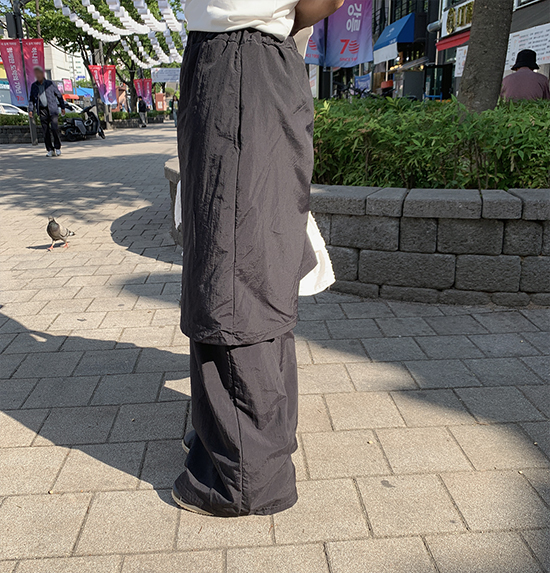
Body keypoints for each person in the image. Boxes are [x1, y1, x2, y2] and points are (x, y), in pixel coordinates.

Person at [173, 0, 344, 518]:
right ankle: (240, 441)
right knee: (244, 259)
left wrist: (271, 18)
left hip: (242, 61)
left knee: (234, 270)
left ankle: (245, 480)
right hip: (241, 61)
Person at [28, 66, 66, 157]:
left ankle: (57, 148)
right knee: (45, 131)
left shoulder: (50, 83)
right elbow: (31, 99)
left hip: (52, 109)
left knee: (54, 128)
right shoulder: (34, 86)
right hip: (42, 110)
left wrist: (62, 107)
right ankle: (50, 149)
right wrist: (30, 110)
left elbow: (59, 95)